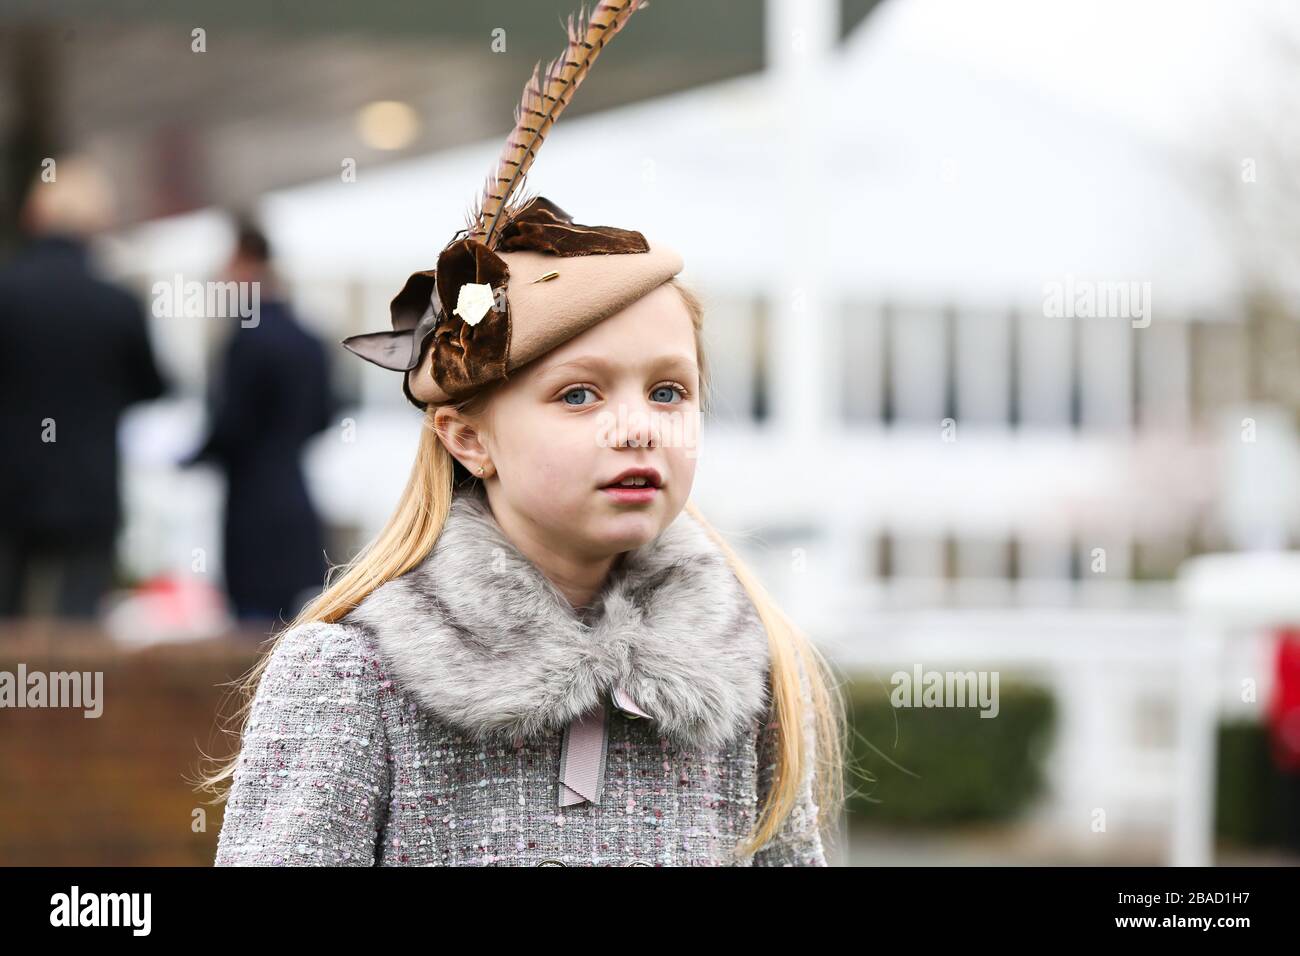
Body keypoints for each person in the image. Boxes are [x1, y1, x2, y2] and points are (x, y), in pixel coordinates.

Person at [207, 0, 843, 866]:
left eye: (668, 391)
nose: (636, 430)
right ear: (468, 438)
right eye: (578, 396)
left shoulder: (749, 680)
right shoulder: (350, 681)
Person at [0, 156, 166, 618]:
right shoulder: (116, 304)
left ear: (33, 216)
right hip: (89, 488)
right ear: (98, 223)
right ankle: (68, 694)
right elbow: (152, 386)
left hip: (8, 488)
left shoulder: (6, 294)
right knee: (80, 635)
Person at [181, 218, 335, 624]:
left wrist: (191, 458)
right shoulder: (310, 339)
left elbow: (232, 425)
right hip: (297, 500)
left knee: (251, 633)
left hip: (251, 508)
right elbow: (325, 415)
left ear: (246, 264)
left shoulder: (246, 340)